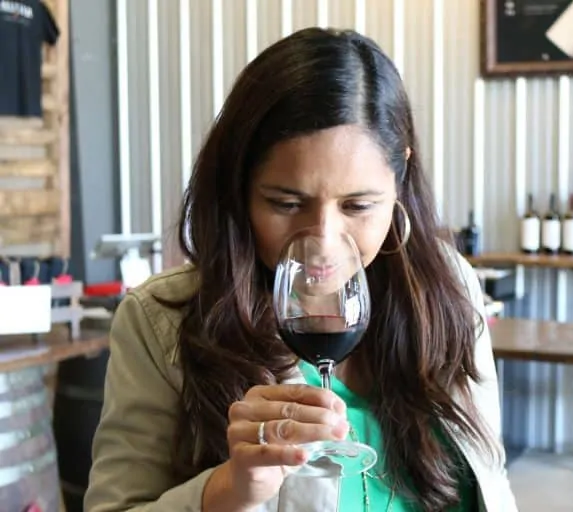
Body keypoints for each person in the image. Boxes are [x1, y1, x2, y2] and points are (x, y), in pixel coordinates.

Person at [84, 27, 517, 512]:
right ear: (240, 188)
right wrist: (229, 488)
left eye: (358, 206)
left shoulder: (449, 286)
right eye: (286, 203)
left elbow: (490, 476)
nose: (323, 244)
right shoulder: (159, 321)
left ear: (400, 178)